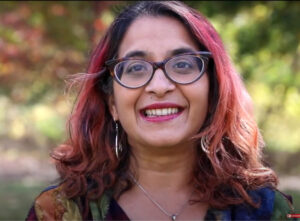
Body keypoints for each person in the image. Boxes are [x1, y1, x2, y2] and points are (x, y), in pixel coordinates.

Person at [26, 1, 295, 220]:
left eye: (182, 64)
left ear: (214, 91)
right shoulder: (60, 213)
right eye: (135, 68)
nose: (159, 86)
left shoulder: (265, 211)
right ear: (112, 104)